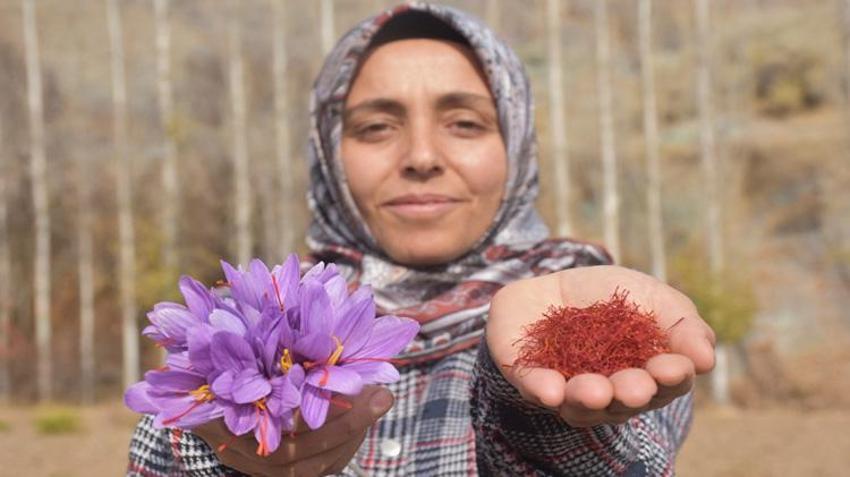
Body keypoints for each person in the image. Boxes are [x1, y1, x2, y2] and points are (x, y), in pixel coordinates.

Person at [127, 3, 715, 476]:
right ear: (329, 158)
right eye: (376, 127)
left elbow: (623, 456)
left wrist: (539, 410)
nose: (423, 158)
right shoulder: (249, 318)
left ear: (516, 145)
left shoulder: (597, 301)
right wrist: (230, 451)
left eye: (465, 123)